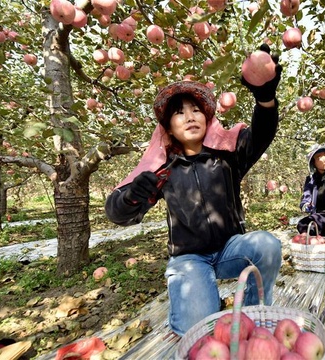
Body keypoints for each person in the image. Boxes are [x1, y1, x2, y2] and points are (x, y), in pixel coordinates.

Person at [105, 45, 283, 336]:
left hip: (230, 250)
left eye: (196, 110)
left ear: (208, 118)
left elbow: (262, 135)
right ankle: (204, 300)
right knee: (198, 329)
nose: (189, 116)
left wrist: (265, 98)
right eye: (179, 113)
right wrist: (132, 195)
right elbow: (117, 213)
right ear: (169, 129)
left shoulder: (227, 155)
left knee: (267, 244)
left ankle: (253, 315)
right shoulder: (162, 167)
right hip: (190, 259)